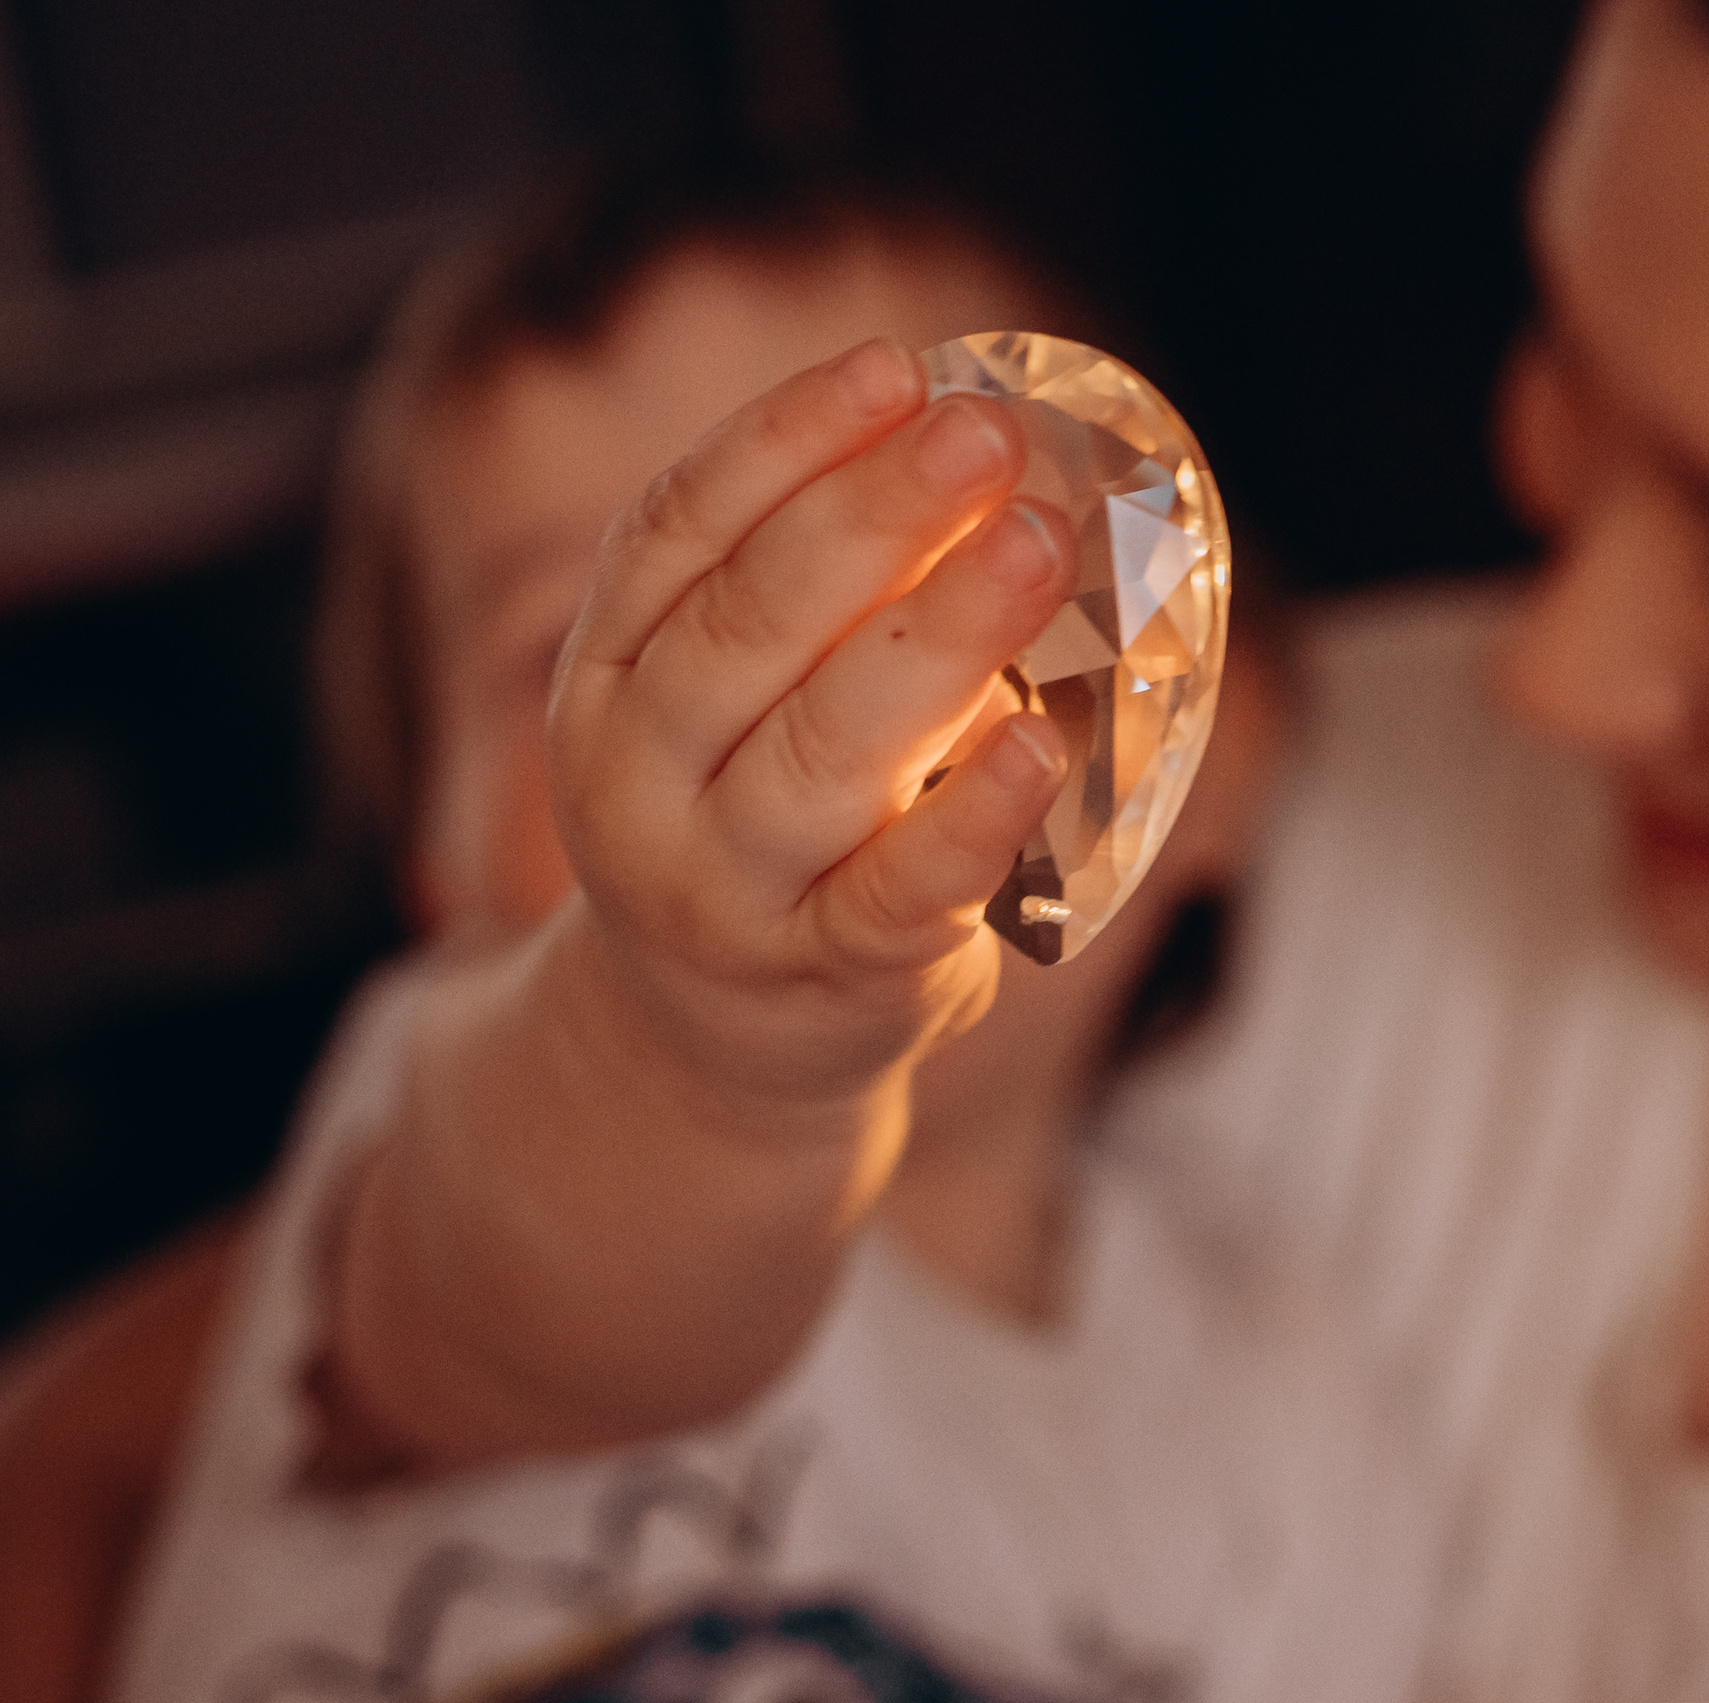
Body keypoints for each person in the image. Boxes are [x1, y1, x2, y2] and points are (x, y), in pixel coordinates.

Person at [61, 0, 1709, 1695]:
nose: (1538, 684)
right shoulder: (594, 1100)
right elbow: (442, 1301)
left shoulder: (1281, 1421)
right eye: (1565, 372)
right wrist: (693, 1040)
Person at [28, 158, 1432, 1703]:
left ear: (1214, 760)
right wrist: (698, 1038)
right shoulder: (438, 1130)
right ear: (438, 877)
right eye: (574, 659)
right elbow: (540, 1285)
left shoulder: (1277, 1392)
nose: (783, 709)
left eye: (950, 575)